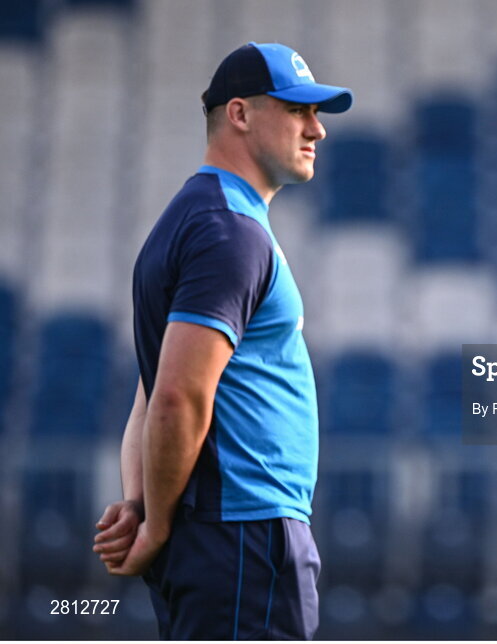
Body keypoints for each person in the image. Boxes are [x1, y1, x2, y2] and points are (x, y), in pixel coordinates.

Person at [91, 42, 352, 640]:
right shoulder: (228, 232)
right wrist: (153, 523)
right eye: (296, 111)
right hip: (244, 536)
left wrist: (140, 504)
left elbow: (150, 392)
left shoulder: (193, 218)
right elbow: (177, 398)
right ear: (239, 114)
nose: (318, 130)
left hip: (221, 538)